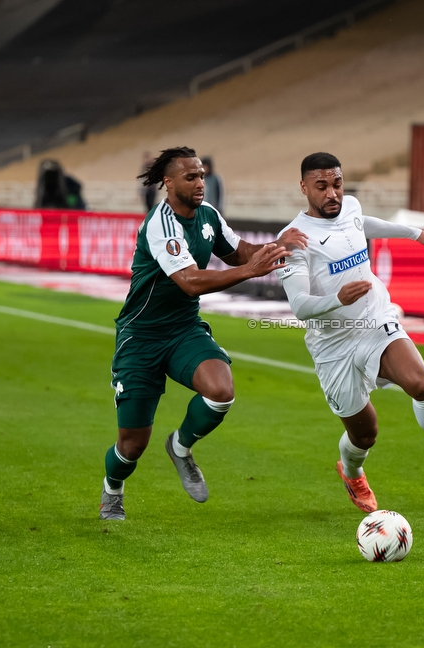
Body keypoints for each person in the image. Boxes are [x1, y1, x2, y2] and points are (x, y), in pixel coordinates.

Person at [275, 152, 424, 513]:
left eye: (338, 184)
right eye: (322, 186)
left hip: (376, 320)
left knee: (421, 383)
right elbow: (299, 305)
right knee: (365, 433)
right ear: (304, 188)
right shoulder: (293, 239)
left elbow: (363, 223)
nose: (333, 194)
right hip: (333, 345)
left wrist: (416, 234)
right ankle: (351, 471)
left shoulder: (350, 207)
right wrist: (336, 297)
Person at [99, 146, 307, 521]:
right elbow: (190, 281)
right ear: (168, 182)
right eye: (191, 177)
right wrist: (250, 272)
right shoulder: (160, 224)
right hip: (141, 337)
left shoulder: (208, 215)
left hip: (182, 329)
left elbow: (239, 251)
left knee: (221, 390)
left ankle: (180, 447)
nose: (201, 183)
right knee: (131, 445)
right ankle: (113, 489)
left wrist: (278, 247)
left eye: (202, 176)